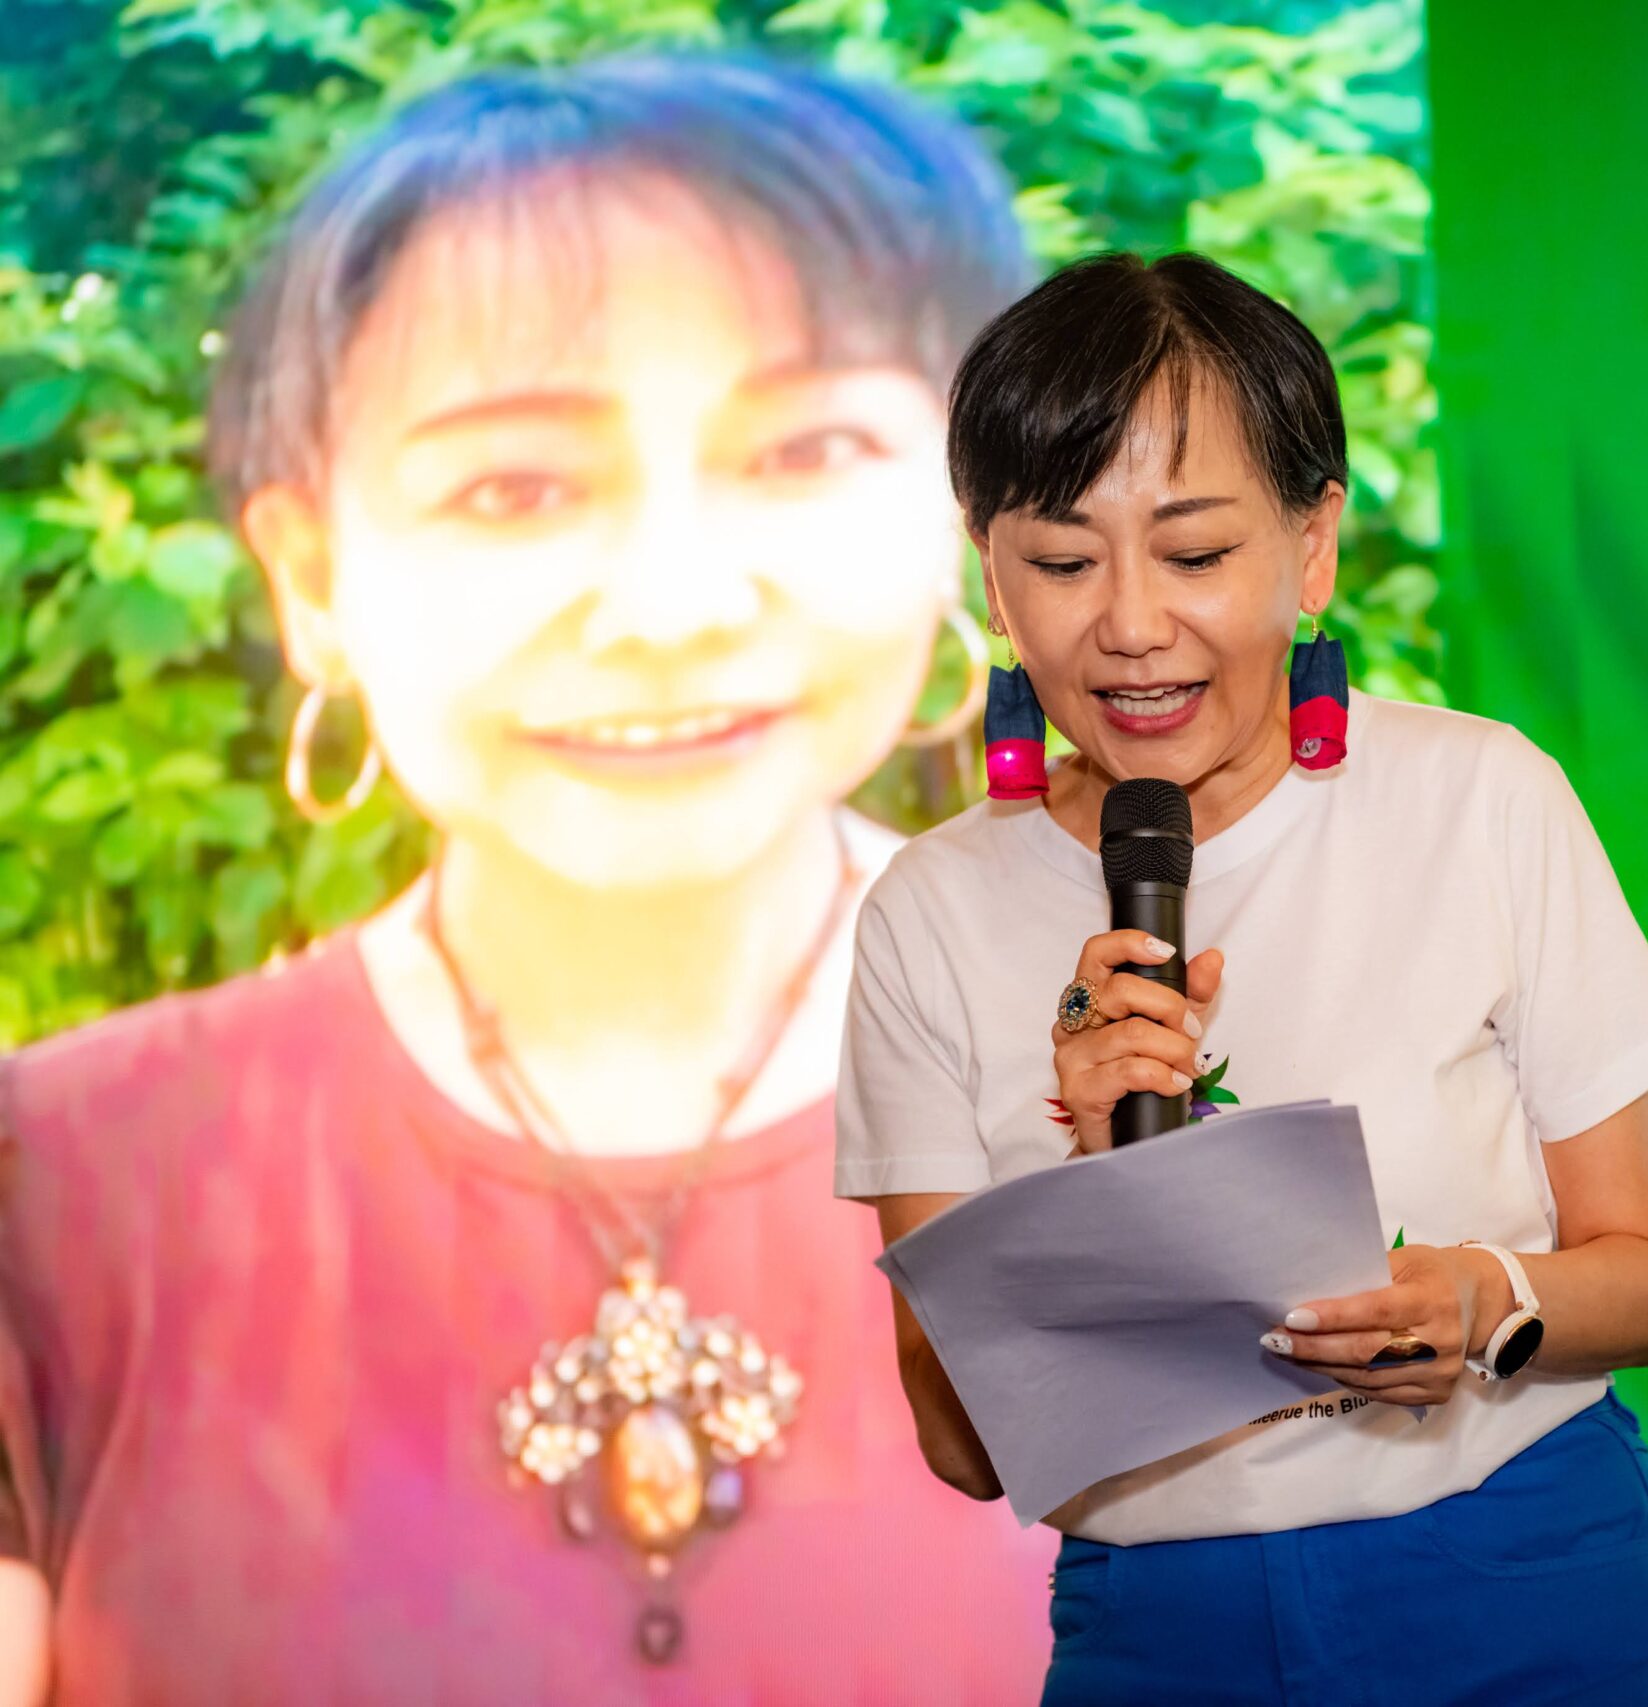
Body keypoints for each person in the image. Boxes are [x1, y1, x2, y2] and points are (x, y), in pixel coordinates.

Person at [0, 56, 1057, 1703]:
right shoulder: (52, 1195)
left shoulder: (1202, 1113)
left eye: (805, 449)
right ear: (310, 580)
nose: (672, 606)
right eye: (515, 486)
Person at [837, 252, 1648, 1704]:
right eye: (1062, 563)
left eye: (1194, 554)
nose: (1131, 624)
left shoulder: (1479, 799)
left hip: (1518, 1571)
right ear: (992, 575)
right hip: (1161, 1628)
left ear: (1313, 548)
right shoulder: (928, 915)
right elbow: (961, 1445)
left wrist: (1478, 1300)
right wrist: (1087, 1180)